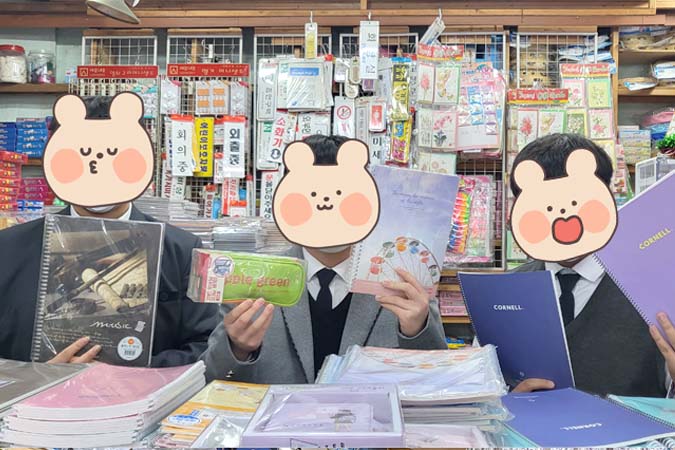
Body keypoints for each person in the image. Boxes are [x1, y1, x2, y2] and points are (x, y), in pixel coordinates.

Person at [201, 135, 447, 383]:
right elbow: (211, 378)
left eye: (342, 194)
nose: (328, 205)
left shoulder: (403, 283)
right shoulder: (253, 283)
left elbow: (438, 378)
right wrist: (237, 348)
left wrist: (418, 331)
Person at [0, 96, 219, 367]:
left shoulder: (182, 250)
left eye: (114, 153)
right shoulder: (8, 249)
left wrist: (130, 372)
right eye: (82, 153)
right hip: (34, 394)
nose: (97, 167)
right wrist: (36, 374)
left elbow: (204, 347)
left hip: (145, 394)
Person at [510, 133, 675, 397]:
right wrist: (505, 400)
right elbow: (482, 394)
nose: (563, 214)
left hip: (634, 424)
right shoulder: (505, 291)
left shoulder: (653, 290)